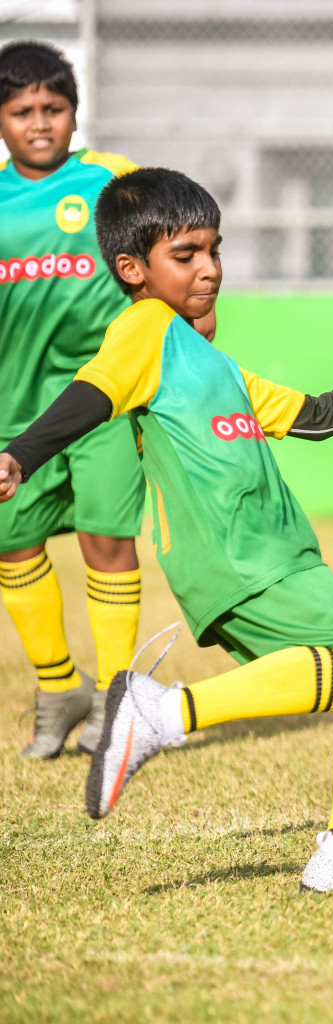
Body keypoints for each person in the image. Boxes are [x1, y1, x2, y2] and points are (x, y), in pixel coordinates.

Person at [0, 167, 333, 897]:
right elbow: (92, 390)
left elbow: (318, 415)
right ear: (132, 270)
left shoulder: (215, 363)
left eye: (215, 249)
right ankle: (162, 710)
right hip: (242, 557)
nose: (209, 269)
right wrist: (22, 455)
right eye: (185, 255)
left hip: (273, 557)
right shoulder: (145, 331)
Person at [0, 41, 146, 759]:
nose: (38, 123)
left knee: (107, 540)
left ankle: (119, 700)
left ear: (73, 113)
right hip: (13, 407)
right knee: (12, 542)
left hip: (105, 400)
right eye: (21, 110)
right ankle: (60, 690)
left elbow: (170, 241)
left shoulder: (111, 181)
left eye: (52, 109)